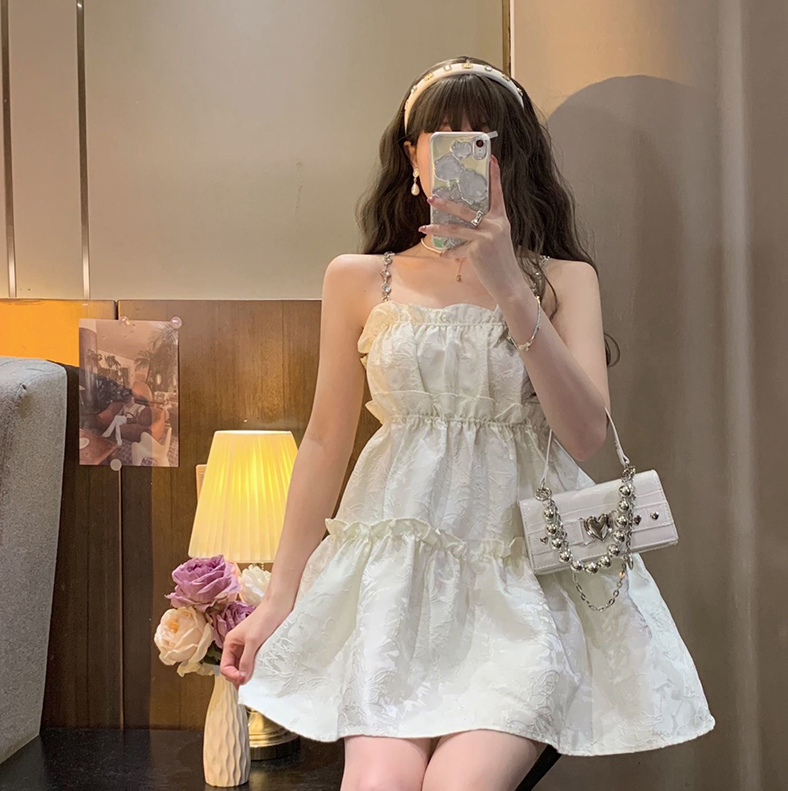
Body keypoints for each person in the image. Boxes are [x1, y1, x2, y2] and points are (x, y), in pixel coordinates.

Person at [223, 56, 716, 790]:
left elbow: (587, 436)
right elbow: (325, 442)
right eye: (445, 138)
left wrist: (510, 283)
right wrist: (277, 599)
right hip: (396, 579)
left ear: (511, 159)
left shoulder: (563, 280)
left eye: (483, 141)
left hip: (521, 581)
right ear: (412, 157)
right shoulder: (358, 278)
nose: (465, 156)